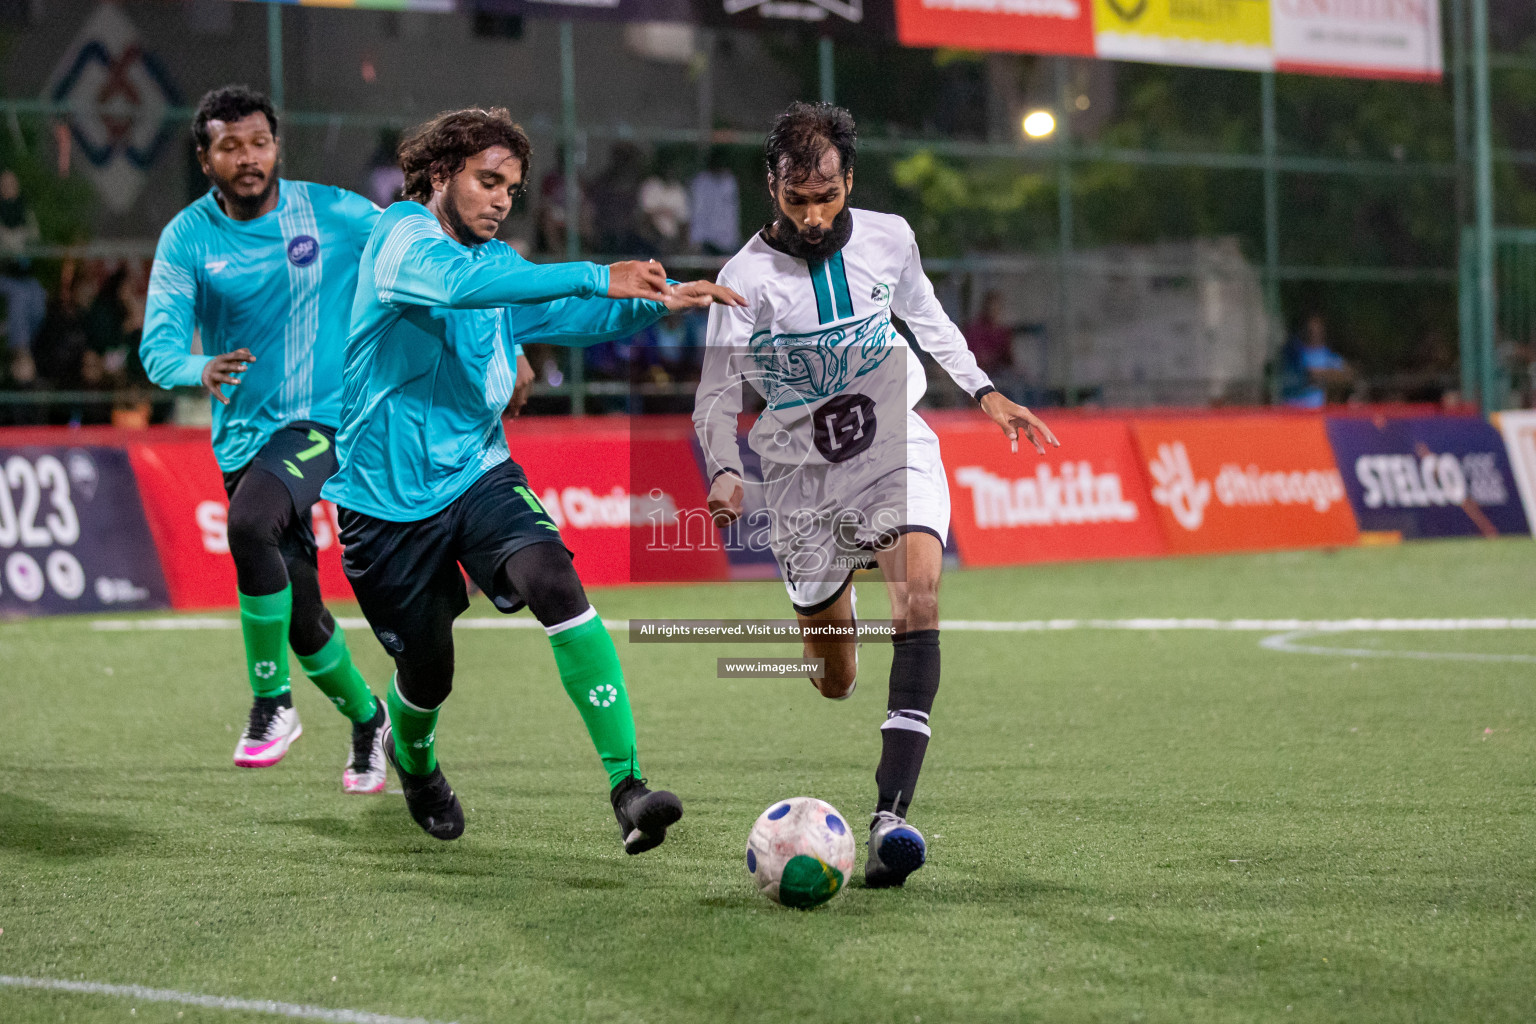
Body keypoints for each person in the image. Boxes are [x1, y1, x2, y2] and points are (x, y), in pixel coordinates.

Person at [321, 107, 745, 846]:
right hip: (381, 504)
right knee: (429, 674)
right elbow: (456, 288)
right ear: (441, 174)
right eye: (487, 181)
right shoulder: (400, 240)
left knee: (555, 579)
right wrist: (596, 273)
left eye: (512, 189)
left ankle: (628, 786)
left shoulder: (495, 264)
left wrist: (654, 300)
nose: (500, 199)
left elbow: (555, 312)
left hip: (479, 472)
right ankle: (413, 758)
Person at [694, 102, 1058, 889]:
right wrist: (723, 467)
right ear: (773, 188)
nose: (816, 216)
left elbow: (928, 317)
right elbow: (717, 395)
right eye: (798, 201)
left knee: (919, 599)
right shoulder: (743, 281)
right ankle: (833, 611)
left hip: (894, 441)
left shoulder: (890, 238)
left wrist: (987, 392)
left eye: (827, 197)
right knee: (835, 680)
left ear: (848, 180)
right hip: (801, 477)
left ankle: (892, 816)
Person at [140, 86, 389, 792]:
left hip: (324, 420)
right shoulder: (187, 237)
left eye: (258, 143)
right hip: (243, 438)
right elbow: (158, 351)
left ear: (277, 146)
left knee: (247, 523)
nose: (247, 158)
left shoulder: (333, 212)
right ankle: (370, 721)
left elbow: (414, 245)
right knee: (304, 617)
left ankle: (270, 704)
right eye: (230, 146)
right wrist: (198, 365)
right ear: (205, 157)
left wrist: (504, 327)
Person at [0, 169, 49, 375]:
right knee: (19, 295)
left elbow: (33, 238)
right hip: (5, 275)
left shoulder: (25, 211)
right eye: (5, 184)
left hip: (24, 274)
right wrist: (16, 240)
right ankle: (20, 353)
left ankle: (18, 336)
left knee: (38, 296)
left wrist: (18, 241)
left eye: (12, 184)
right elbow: (8, 243)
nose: (9, 188)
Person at [1280, 314, 1353, 408]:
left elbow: (1348, 375)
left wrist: (1323, 375)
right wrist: (1328, 375)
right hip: (1292, 410)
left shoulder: (1328, 354)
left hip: (1315, 411)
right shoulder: (1294, 352)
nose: (1314, 332)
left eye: (1318, 328)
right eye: (1311, 329)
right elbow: (1307, 375)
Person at [688, 149, 740, 255]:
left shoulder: (729, 181)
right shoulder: (701, 182)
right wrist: (696, 240)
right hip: (706, 241)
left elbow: (732, 213)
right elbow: (697, 213)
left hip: (728, 242)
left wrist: (734, 239)